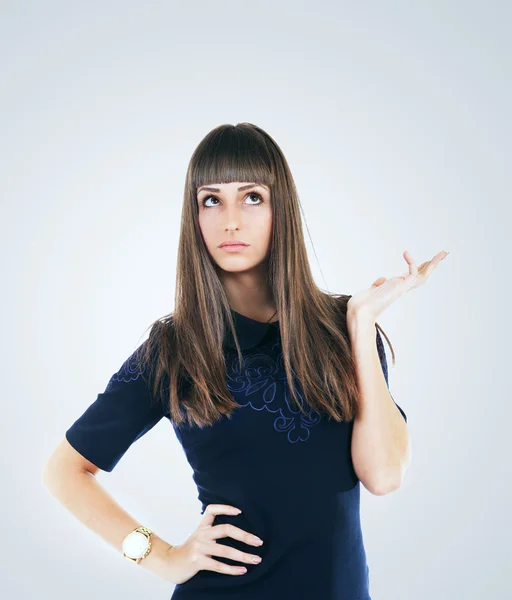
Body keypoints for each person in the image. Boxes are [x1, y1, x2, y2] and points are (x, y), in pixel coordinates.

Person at [43, 122, 439, 599]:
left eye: (252, 197)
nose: (231, 219)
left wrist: (360, 324)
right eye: (212, 200)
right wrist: (162, 557)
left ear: (280, 209)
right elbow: (64, 471)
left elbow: (384, 475)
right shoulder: (172, 352)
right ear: (195, 216)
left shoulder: (345, 327)